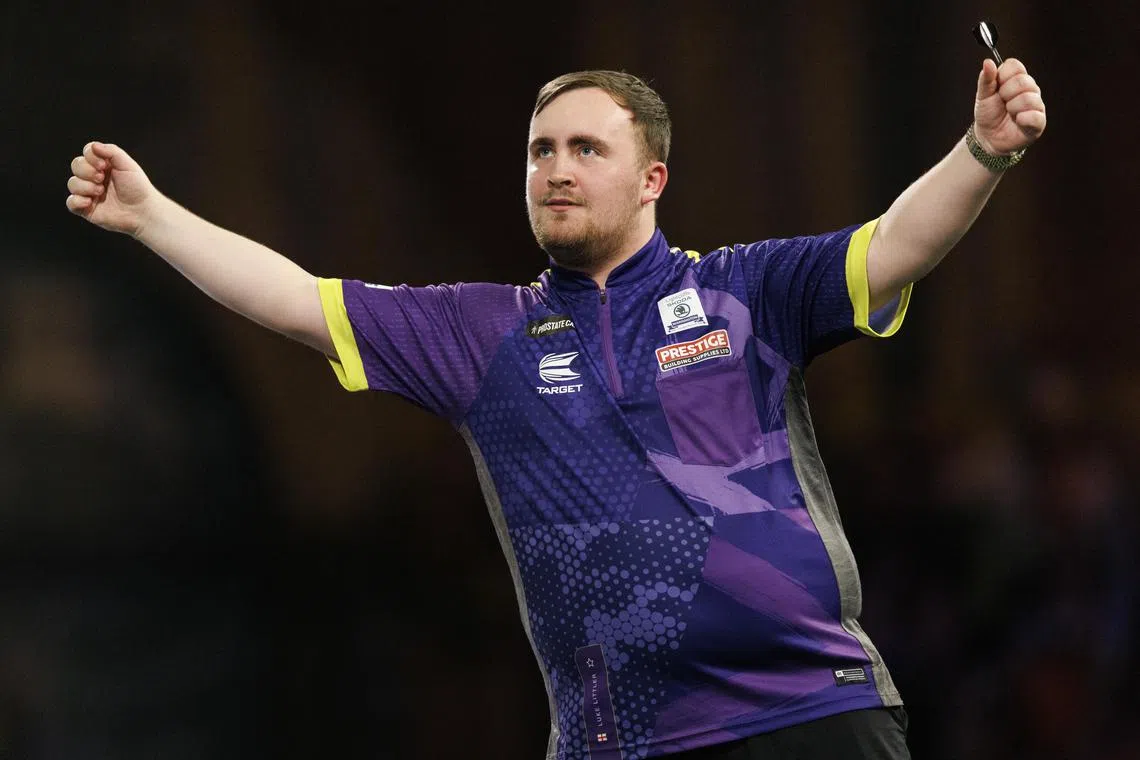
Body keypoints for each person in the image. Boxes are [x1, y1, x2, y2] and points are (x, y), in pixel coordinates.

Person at [66, 54, 1046, 759]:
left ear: (652, 177)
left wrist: (983, 152)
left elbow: (896, 244)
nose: (557, 169)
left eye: (585, 147)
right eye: (541, 151)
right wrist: (152, 215)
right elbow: (294, 298)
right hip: (619, 740)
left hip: (811, 716)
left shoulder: (747, 291)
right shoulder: (477, 335)